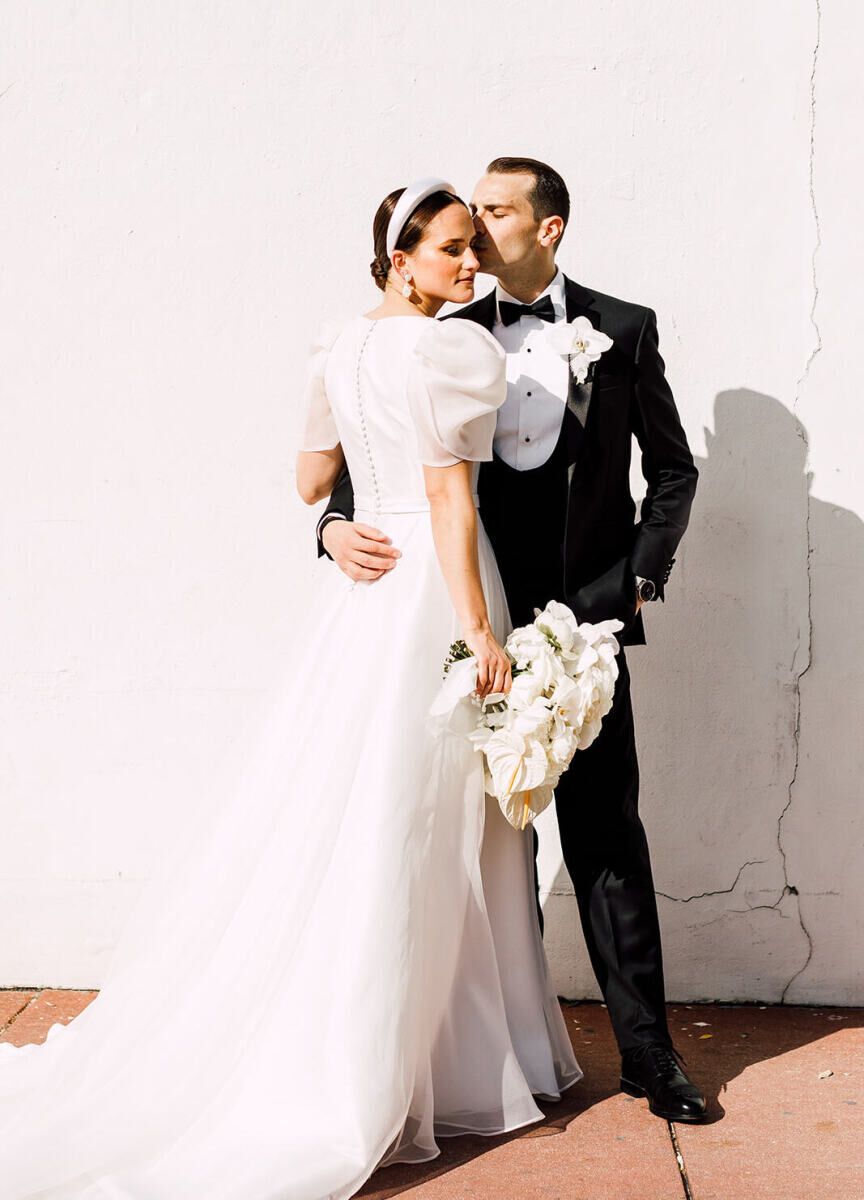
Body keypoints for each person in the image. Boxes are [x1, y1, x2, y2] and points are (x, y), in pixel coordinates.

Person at [0, 178, 581, 1200]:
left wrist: (333, 528)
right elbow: (449, 497)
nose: (466, 265)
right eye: (448, 249)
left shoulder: (341, 344)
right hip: (433, 593)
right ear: (400, 257)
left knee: (374, 803)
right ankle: (419, 1066)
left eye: (468, 250)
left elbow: (312, 478)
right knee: (420, 819)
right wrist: (480, 632)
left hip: (366, 591)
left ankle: (421, 1052)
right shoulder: (447, 349)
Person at [317, 157, 707, 1123]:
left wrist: (633, 590)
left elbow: (670, 472)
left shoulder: (622, 328)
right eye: (471, 215)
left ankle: (649, 1058)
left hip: (586, 624)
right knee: (478, 838)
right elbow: (372, 454)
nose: (479, 227)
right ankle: (491, 1058)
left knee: (606, 831)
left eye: (496, 210)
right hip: (467, 620)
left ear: (550, 227)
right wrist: (329, 527)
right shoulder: (434, 335)